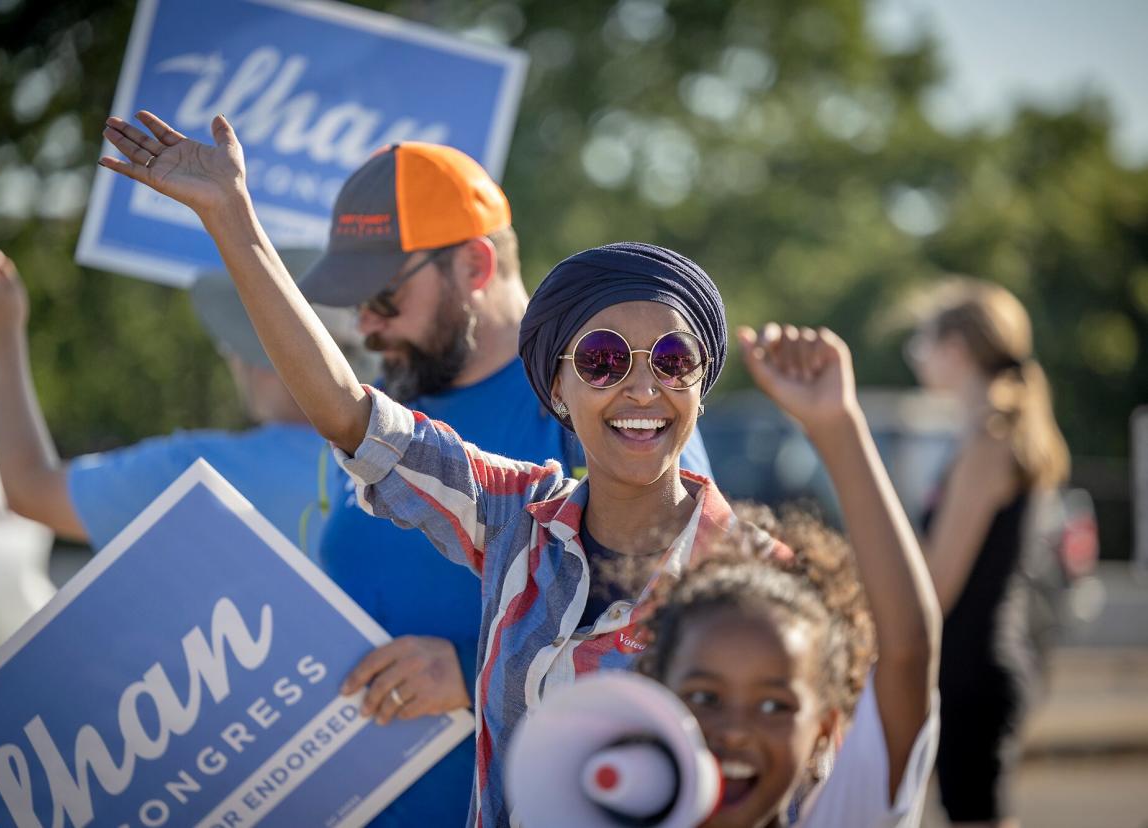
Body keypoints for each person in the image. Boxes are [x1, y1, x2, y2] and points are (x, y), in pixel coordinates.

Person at [98, 110, 758, 827]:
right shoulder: (514, 504)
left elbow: (725, 686)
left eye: (384, 299)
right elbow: (347, 413)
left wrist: (477, 668)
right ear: (559, 388)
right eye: (601, 364)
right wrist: (231, 217)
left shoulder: (710, 534)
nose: (639, 389)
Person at [301, 143, 714, 824]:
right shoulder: (373, 406)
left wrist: (472, 671)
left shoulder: (606, 406)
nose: (366, 327)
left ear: (475, 266)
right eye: (354, 307)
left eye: (382, 298)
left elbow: (688, 622)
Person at [636, 322, 941, 827]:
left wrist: (835, 424)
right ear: (657, 699)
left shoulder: (843, 816)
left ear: (824, 727)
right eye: (705, 698)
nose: (735, 731)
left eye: (775, 706)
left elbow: (908, 650)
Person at [0, 240, 373, 551]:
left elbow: (30, 489)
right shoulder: (416, 453)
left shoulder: (201, 474)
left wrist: (0, 335)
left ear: (259, 355)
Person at [902, 279, 1071, 828]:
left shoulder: (988, 441)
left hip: (971, 669)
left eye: (922, 341)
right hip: (978, 662)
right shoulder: (996, 433)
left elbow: (938, 583)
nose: (915, 355)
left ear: (956, 349)